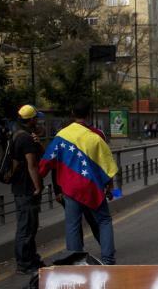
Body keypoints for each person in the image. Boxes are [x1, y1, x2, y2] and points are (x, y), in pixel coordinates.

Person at [40, 100, 119, 265]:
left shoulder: (61, 136)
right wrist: (110, 188)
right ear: (89, 114)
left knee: (73, 225)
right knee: (104, 220)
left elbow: (46, 163)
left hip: (70, 189)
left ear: (72, 113)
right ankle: (108, 260)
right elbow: (107, 166)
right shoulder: (96, 137)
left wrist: (43, 182)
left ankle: (75, 262)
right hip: (92, 188)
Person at [11, 105, 45, 274]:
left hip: (20, 188)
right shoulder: (26, 139)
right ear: (31, 120)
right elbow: (32, 165)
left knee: (29, 226)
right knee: (26, 228)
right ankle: (24, 264)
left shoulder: (17, 134)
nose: (37, 121)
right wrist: (38, 186)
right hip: (26, 189)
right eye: (36, 118)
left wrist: (39, 143)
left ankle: (32, 259)